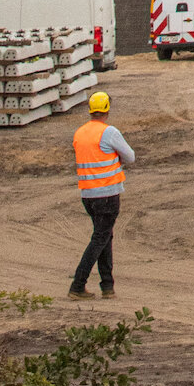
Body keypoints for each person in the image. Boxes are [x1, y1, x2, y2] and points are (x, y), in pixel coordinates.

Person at [69, 87, 135, 299]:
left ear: (90, 110)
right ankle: (78, 285)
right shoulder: (109, 132)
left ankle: (108, 286)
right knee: (100, 238)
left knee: (104, 236)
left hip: (88, 195)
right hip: (107, 194)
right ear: (107, 109)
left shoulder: (79, 132)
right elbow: (130, 156)